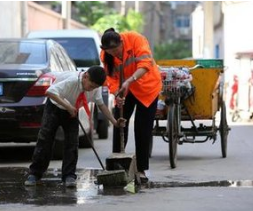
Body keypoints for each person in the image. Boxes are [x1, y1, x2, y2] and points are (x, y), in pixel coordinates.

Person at [24, 65, 125, 187]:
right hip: (55, 107)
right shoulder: (72, 81)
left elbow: (102, 105)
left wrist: (115, 122)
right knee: (45, 139)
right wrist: (68, 107)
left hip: (72, 110)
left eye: (95, 87)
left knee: (72, 143)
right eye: (91, 86)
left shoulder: (95, 88)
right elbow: (50, 92)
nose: (91, 89)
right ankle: (35, 174)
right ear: (86, 76)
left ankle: (69, 176)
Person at [100, 28, 162, 183]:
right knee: (119, 124)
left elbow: (146, 63)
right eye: (110, 52)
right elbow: (111, 78)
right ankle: (117, 165)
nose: (115, 54)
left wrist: (129, 80)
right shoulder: (106, 55)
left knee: (142, 128)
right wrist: (116, 93)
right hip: (125, 90)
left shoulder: (136, 40)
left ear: (121, 41)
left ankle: (141, 169)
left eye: (116, 50)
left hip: (147, 87)